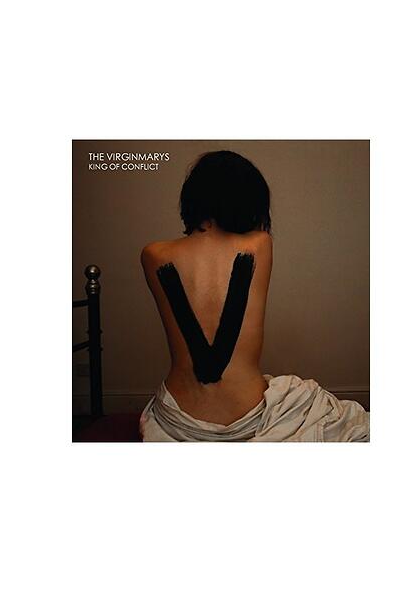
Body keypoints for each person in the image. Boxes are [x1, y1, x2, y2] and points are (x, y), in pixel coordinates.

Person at [139, 150, 369, 442]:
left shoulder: (153, 254)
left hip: (178, 420)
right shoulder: (259, 244)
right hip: (247, 417)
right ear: (248, 199)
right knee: (320, 404)